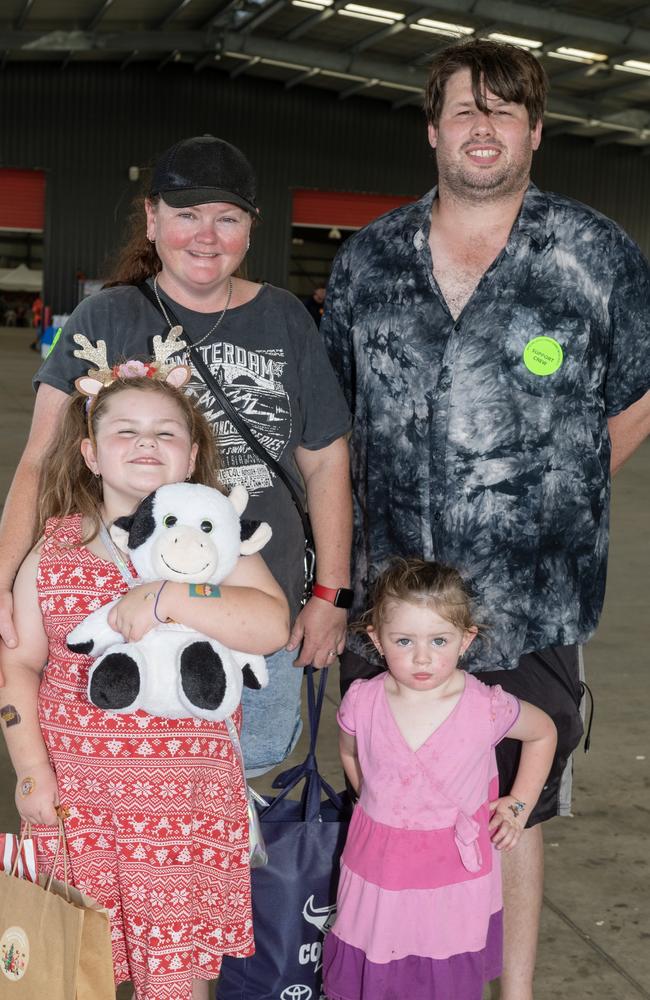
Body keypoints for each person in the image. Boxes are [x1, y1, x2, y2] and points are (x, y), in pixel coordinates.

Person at [321, 38, 650, 999]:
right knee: (389, 795)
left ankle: (507, 993)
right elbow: (334, 427)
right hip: (394, 601)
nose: (483, 127)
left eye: (505, 111)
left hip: (531, 601)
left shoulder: (596, 256)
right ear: (433, 129)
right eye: (465, 109)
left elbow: (633, 394)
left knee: (517, 807)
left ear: (535, 133)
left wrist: (559, 492)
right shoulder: (369, 260)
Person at [0, 135, 352, 775]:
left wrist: (331, 591)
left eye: (227, 217)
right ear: (153, 218)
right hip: (116, 613)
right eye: (187, 214)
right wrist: (2, 578)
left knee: (244, 786)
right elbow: (38, 459)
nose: (206, 236)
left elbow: (326, 461)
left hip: (253, 607)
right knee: (118, 789)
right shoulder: (104, 315)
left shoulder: (286, 320)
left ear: (250, 229)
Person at [0, 368, 290, 1000]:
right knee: (72, 969)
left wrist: (169, 594)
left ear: (190, 456)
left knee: (175, 980)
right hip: (80, 806)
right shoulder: (53, 552)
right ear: (90, 454)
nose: (145, 444)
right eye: (124, 431)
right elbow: (17, 665)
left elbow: (270, 624)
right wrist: (30, 771)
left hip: (184, 810)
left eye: (166, 433)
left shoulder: (221, 549)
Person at [322, 559, 556, 1000]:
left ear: (466, 640)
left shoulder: (486, 706)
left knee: (441, 976)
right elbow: (352, 754)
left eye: (439, 640)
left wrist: (518, 804)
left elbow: (543, 732)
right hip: (379, 872)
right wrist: (374, 805)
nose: (423, 657)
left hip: (451, 878)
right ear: (376, 638)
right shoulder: (362, 701)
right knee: (377, 967)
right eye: (404, 640)